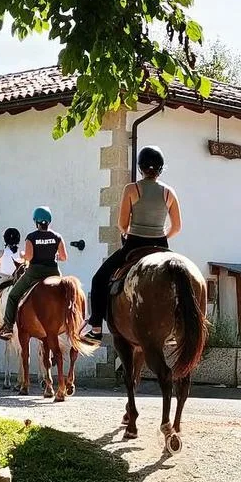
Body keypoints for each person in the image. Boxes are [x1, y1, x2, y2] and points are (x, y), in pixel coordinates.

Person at [83, 145, 183, 341]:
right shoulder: (169, 192)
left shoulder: (131, 189)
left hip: (134, 245)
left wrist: (130, 233)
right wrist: (161, 236)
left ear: (140, 168)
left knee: (99, 279)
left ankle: (95, 326)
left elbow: (122, 224)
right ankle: (177, 327)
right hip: (161, 246)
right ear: (161, 169)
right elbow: (177, 227)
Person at [0, 207, 68, 340]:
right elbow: (64, 257)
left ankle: (8, 327)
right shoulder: (57, 237)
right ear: (49, 221)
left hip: (35, 273)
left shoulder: (31, 237)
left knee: (13, 295)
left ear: (36, 222)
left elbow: (29, 257)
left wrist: (23, 254)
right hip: (53, 273)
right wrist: (52, 254)